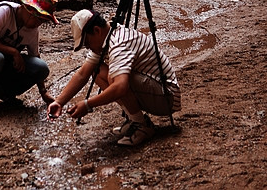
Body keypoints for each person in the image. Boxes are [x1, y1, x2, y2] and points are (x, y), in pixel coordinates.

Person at [47, 9, 181, 146]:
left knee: (115, 77)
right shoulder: (108, 36)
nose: (89, 49)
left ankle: (142, 127)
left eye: (87, 44)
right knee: (97, 70)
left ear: (97, 31)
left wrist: (88, 104)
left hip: (167, 98)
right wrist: (59, 102)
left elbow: (120, 87)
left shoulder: (118, 43)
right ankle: (136, 119)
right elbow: (82, 74)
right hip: (155, 89)